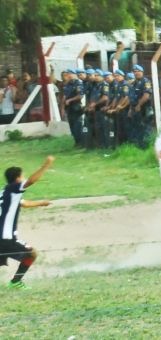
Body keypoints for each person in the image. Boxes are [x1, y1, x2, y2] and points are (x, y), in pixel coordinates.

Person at [0, 156, 55, 289]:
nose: (23, 178)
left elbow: (23, 204)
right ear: (18, 179)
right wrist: (46, 165)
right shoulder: (15, 188)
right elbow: (31, 181)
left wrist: (41, 203)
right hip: (6, 238)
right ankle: (15, 282)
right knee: (32, 253)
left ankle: (15, 282)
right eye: (22, 176)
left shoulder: (5, 192)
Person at [129, 64, 154, 148]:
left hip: (144, 108)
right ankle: (139, 146)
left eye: (138, 71)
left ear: (142, 72)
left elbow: (146, 95)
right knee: (137, 127)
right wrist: (130, 109)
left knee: (146, 128)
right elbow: (131, 97)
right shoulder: (133, 83)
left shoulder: (146, 82)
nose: (136, 73)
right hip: (135, 108)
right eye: (135, 72)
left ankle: (147, 146)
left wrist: (139, 105)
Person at [63, 69, 84, 146]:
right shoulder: (67, 84)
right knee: (72, 125)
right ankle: (76, 142)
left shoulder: (78, 83)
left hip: (76, 107)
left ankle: (81, 142)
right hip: (69, 108)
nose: (67, 76)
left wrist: (70, 100)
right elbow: (65, 96)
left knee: (77, 125)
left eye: (69, 74)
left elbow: (80, 95)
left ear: (73, 74)